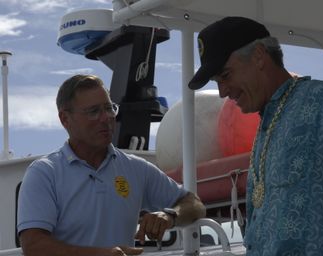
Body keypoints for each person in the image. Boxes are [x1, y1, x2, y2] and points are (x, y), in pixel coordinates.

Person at [188, 16, 323, 255]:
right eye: (216, 82)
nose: (221, 92)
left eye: (226, 75)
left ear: (259, 56)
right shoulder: (266, 129)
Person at [17, 74, 206, 256]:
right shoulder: (44, 173)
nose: (106, 117)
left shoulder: (136, 168)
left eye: (109, 108)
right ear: (65, 119)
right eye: (93, 112)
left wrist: (170, 216)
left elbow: (194, 204)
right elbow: (33, 247)